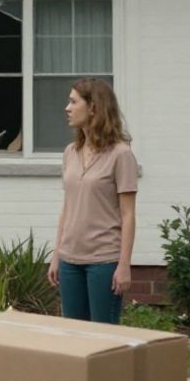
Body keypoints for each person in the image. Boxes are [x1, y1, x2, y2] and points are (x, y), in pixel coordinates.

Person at [48, 77, 138, 324]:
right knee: (75, 335)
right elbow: (67, 207)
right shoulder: (70, 152)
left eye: (73, 102)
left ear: (93, 108)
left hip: (104, 261)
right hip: (69, 261)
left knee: (103, 336)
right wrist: (57, 255)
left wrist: (124, 265)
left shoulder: (121, 154)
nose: (67, 108)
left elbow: (128, 214)